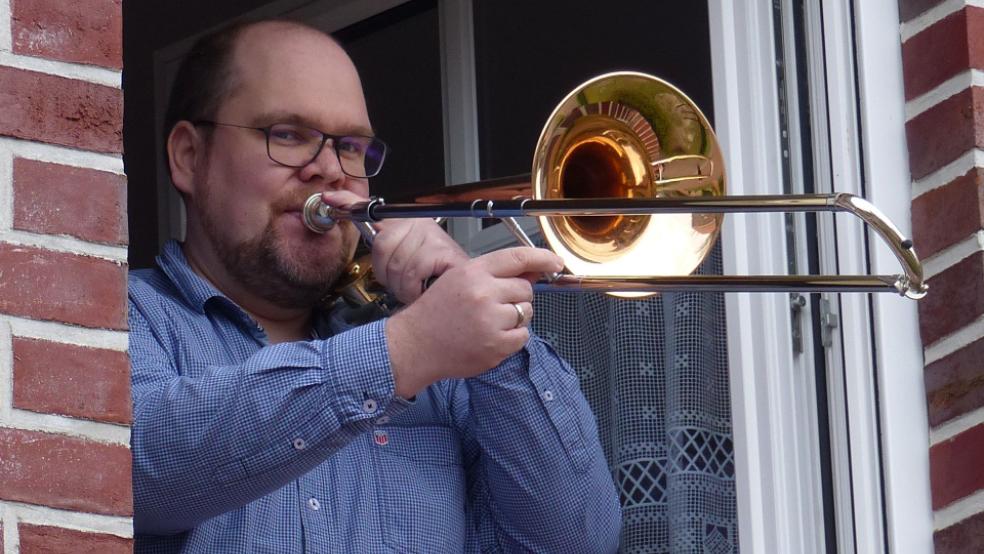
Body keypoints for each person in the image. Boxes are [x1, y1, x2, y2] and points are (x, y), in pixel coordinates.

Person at [129, 18, 621, 553]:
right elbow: (137, 468)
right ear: (189, 157)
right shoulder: (116, 318)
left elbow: (579, 540)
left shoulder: (448, 362)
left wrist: (489, 335)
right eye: (288, 135)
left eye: (349, 147)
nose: (330, 171)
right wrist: (405, 350)